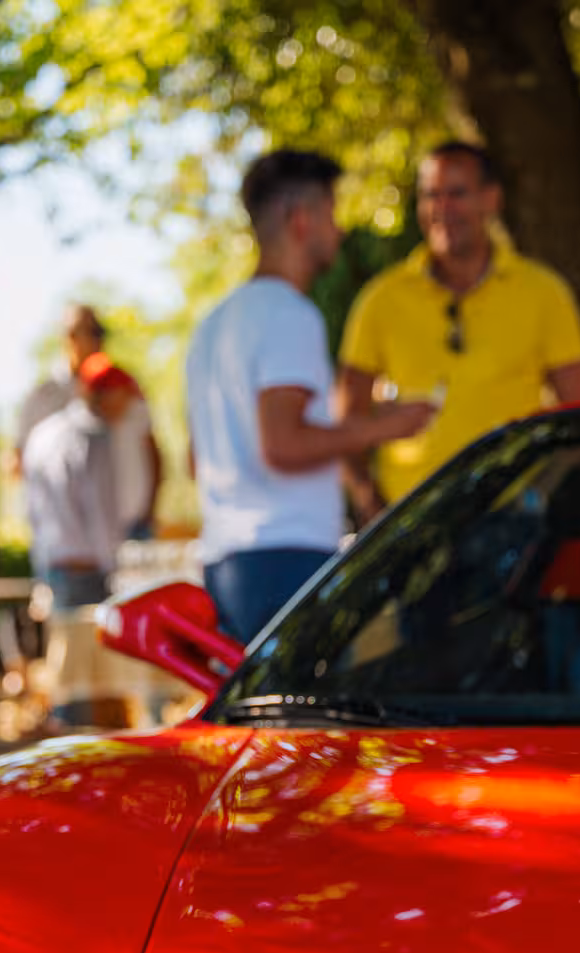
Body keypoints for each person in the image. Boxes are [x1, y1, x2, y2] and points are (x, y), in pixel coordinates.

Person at [186, 149, 435, 647]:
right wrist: (388, 425)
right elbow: (282, 444)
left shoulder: (212, 324)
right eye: (330, 212)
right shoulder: (289, 314)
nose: (339, 230)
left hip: (226, 563)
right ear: (300, 220)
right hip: (286, 558)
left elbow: (195, 459)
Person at [338, 142, 580, 521]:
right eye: (430, 195)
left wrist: (543, 498)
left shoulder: (544, 292)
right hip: (411, 525)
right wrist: (371, 507)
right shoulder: (380, 300)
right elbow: (346, 422)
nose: (442, 209)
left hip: (514, 519)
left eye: (457, 193)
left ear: (491, 200)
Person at [17, 303, 162, 539]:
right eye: (81, 332)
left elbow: (152, 451)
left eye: (97, 332)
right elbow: (19, 463)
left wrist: (149, 512)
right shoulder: (44, 396)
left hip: (129, 524)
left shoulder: (126, 388)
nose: (92, 340)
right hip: (68, 537)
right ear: (66, 337)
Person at [23, 353, 138, 609]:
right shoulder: (93, 437)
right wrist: (116, 567)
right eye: (123, 397)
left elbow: (30, 508)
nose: (128, 407)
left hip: (49, 565)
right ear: (104, 395)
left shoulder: (44, 432)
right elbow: (100, 509)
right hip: (86, 574)